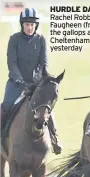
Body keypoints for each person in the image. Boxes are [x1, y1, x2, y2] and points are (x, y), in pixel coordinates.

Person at [0, 7, 62, 154]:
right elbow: (12, 64)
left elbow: (44, 64)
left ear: (36, 25)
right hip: (16, 83)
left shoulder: (41, 40)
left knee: (45, 107)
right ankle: (2, 136)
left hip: (36, 84)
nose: (29, 27)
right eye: (27, 24)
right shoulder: (14, 39)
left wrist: (41, 80)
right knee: (6, 106)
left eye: (32, 25)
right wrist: (21, 82)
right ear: (22, 25)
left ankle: (55, 140)